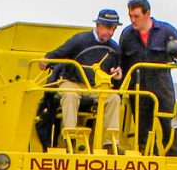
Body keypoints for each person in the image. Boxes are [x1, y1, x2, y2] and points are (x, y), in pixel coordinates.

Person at [119, 0, 177, 156]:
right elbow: (122, 61)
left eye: (136, 16)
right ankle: (147, 156)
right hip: (137, 85)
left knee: (170, 121)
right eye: (130, 16)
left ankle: (175, 155)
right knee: (142, 125)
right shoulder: (127, 34)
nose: (133, 20)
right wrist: (118, 86)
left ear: (147, 13)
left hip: (161, 82)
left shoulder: (166, 31)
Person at [37, 9, 124, 152]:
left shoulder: (114, 48)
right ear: (98, 25)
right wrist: (46, 60)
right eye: (107, 28)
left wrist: (117, 76)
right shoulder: (80, 40)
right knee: (70, 94)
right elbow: (58, 54)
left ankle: (110, 143)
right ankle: (69, 139)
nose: (110, 32)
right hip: (73, 82)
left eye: (113, 29)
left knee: (114, 98)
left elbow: (117, 73)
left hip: (96, 87)